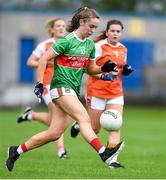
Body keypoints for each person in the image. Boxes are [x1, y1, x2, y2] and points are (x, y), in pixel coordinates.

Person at [6, 7, 124, 172]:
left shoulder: (89, 45)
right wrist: (39, 84)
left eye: (95, 28)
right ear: (82, 22)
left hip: (71, 91)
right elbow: (43, 60)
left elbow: (90, 69)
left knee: (54, 133)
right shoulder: (66, 41)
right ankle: (104, 153)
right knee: (83, 117)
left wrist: (104, 68)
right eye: (91, 26)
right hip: (60, 88)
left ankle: (16, 151)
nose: (93, 30)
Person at [70, 19, 133, 168]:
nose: (115, 34)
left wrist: (125, 70)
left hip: (115, 92)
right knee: (95, 128)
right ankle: (79, 125)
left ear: (121, 33)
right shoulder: (98, 47)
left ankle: (113, 160)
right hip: (97, 92)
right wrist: (103, 75)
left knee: (115, 125)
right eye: (112, 31)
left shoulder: (123, 49)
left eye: (118, 31)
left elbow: (120, 68)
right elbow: (88, 69)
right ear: (107, 32)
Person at [17, 18, 69, 159]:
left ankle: (30, 115)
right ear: (51, 29)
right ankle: (61, 150)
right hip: (48, 85)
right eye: (58, 26)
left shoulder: (68, 44)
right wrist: (45, 62)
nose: (61, 28)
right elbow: (30, 61)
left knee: (58, 119)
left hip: (64, 86)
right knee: (58, 119)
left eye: (63, 26)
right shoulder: (44, 45)